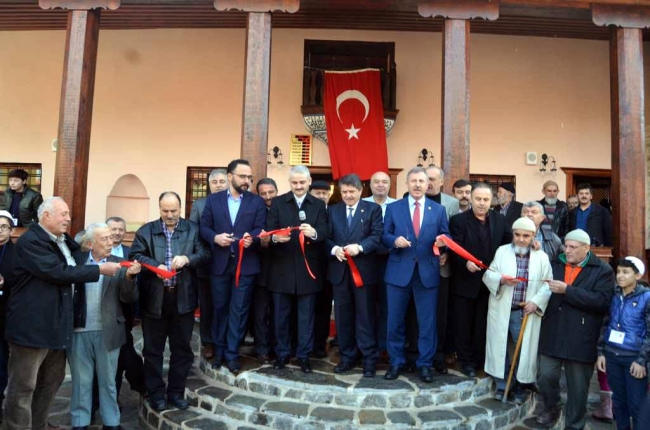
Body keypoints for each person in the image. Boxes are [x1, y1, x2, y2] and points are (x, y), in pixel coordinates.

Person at [4, 197, 121, 429]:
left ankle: (39, 425)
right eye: (63, 214)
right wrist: (98, 270)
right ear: (46, 216)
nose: (68, 218)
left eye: (68, 213)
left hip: (56, 327)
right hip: (32, 327)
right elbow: (58, 272)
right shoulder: (31, 241)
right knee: (24, 385)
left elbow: (79, 253)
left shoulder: (62, 240)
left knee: (51, 381)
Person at [130, 192, 210, 412]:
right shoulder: (146, 230)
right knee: (153, 350)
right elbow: (136, 254)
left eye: (174, 210)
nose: (170, 215)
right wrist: (155, 266)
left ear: (181, 208)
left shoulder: (192, 229)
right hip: (155, 298)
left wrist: (188, 259)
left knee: (182, 349)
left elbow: (205, 254)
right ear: (159, 209)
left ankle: (176, 392)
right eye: (165, 210)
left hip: (182, 296)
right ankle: (156, 394)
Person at [536, 229, 615, 428]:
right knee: (545, 376)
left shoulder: (603, 270)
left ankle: (575, 424)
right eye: (566, 246)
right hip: (553, 330)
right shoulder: (555, 263)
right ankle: (552, 407)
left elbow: (602, 301)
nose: (567, 250)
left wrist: (567, 291)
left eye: (573, 247)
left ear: (586, 248)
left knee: (578, 388)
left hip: (582, 336)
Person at [69, 223, 141, 430]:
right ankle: (80, 422)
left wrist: (129, 278)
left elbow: (128, 298)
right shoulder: (76, 262)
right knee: (81, 382)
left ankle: (112, 423)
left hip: (109, 332)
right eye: (105, 239)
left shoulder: (119, 264)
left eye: (111, 238)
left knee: (108, 382)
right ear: (90, 244)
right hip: (78, 331)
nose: (111, 242)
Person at [382, 167, 449, 383]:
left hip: (427, 274)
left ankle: (424, 364)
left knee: (427, 322)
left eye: (423, 181)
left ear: (428, 184)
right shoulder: (394, 208)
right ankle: (396, 361)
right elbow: (384, 235)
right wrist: (394, 241)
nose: (419, 184)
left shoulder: (438, 210)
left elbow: (446, 235)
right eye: (414, 181)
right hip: (398, 272)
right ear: (407, 184)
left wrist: (443, 243)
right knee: (395, 321)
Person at [200, 159, 266, 374]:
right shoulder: (213, 200)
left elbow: (260, 228)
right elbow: (204, 227)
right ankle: (219, 352)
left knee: (238, 311)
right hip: (219, 265)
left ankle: (232, 353)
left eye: (249, 177)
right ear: (230, 176)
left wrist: (253, 238)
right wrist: (215, 238)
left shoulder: (255, 202)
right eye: (242, 177)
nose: (247, 181)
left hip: (245, 265)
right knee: (220, 309)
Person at [482, 217, 552, 404]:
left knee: (524, 350)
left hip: (526, 312)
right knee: (500, 348)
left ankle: (521, 386)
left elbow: (547, 284)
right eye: (517, 235)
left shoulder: (542, 257)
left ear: (533, 236)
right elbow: (489, 274)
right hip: (503, 309)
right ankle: (503, 384)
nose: (521, 239)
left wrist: (536, 302)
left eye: (526, 236)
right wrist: (502, 280)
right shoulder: (502, 251)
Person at [266, 165, 327, 373]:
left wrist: (315, 233)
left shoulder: (319, 205)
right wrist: (274, 238)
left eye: (302, 182)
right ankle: (282, 354)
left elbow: (326, 233)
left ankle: (304, 356)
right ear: (289, 183)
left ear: (309, 181)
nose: (299, 186)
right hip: (281, 269)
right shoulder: (278, 203)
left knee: (305, 317)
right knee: (281, 316)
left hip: (308, 270)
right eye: (294, 182)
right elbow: (269, 231)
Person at [449, 183, 512, 377]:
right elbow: (453, 248)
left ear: (491, 200)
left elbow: (509, 242)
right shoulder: (458, 220)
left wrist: (530, 241)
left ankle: (480, 360)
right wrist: (464, 263)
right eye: (478, 199)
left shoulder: (499, 220)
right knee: (463, 324)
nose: (482, 203)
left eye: (486, 199)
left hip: (489, 283)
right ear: (471, 199)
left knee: (483, 325)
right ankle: (466, 361)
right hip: (465, 281)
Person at [326, 173, 382, 377]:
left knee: (365, 316)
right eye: (344, 192)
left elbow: (377, 236)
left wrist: (360, 247)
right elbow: (326, 237)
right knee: (343, 317)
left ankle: (369, 358)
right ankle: (347, 356)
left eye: (352, 191)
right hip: (339, 273)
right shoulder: (332, 211)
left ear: (360, 191)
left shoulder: (373, 209)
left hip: (364, 273)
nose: (348, 195)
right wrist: (334, 250)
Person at [597, 257, 650, 430]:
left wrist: (642, 361)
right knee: (619, 403)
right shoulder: (613, 295)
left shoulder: (646, 298)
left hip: (633, 359)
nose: (620, 276)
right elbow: (605, 324)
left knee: (637, 405)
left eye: (625, 272)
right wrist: (602, 353)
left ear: (637, 275)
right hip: (612, 356)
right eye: (618, 272)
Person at [424, 166, 459, 374]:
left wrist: (448, 253)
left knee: (440, 312)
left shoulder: (451, 204)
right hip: (417, 266)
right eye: (424, 178)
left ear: (441, 182)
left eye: (432, 179)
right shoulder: (409, 200)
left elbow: (455, 234)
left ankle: (439, 354)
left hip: (441, 267)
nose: (427, 183)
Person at [190, 168, 228, 360]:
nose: (219, 185)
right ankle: (208, 342)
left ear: (228, 182)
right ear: (209, 185)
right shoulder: (199, 204)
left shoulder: (235, 202)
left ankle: (227, 339)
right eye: (215, 182)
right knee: (208, 305)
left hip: (229, 262)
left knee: (228, 304)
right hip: (206, 262)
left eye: (222, 181)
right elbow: (193, 232)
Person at [106, 216, 145, 400]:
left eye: (121, 229)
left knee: (125, 355)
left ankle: (138, 388)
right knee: (116, 359)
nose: (117, 233)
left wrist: (137, 312)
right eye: (113, 229)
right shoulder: (98, 252)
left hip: (124, 312)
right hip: (104, 315)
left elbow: (138, 283)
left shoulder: (131, 253)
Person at [362, 171, 396, 358]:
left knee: (386, 305)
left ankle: (384, 346)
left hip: (390, 262)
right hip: (365, 260)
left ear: (389, 185)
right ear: (370, 184)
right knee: (366, 305)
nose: (380, 185)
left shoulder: (398, 206)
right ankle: (366, 346)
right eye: (376, 181)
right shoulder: (362, 204)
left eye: (384, 182)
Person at [252, 178, 278, 363]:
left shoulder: (285, 209)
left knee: (279, 312)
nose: (268, 197)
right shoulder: (254, 212)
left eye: (271, 192)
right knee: (260, 312)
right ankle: (261, 348)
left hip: (281, 270)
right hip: (260, 269)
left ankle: (278, 347)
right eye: (263, 193)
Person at [310, 180, 333, 358]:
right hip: (308, 268)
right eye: (317, 193)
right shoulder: (306, 213)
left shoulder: (334, 212)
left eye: (325, 193)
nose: (321, 196)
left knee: (324, 308)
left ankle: (319, 344)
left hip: (329, 268)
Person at [0, 211, 15, 423]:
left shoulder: (17, 253)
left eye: (4, 226)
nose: (0, 230)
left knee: (1, 364)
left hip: (4, 316)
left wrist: (5, 283)